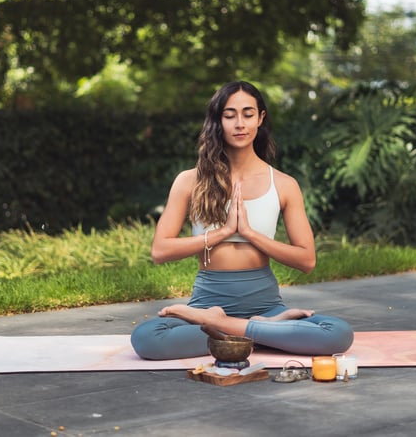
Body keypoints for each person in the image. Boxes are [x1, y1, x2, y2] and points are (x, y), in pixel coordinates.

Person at [130, 81, 353, 360]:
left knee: (339, 333)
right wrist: (222, 232)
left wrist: (250, 233)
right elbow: (160, 251)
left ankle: (225, 327)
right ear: (218, 120)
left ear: (260, 118)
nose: (239, 123)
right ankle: (264, 333)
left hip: (265, 305)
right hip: (207, 302)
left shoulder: (283, 184)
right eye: (229, 114)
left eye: (248, 114)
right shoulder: (190, 181)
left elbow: (306, 261)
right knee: (147, 339)